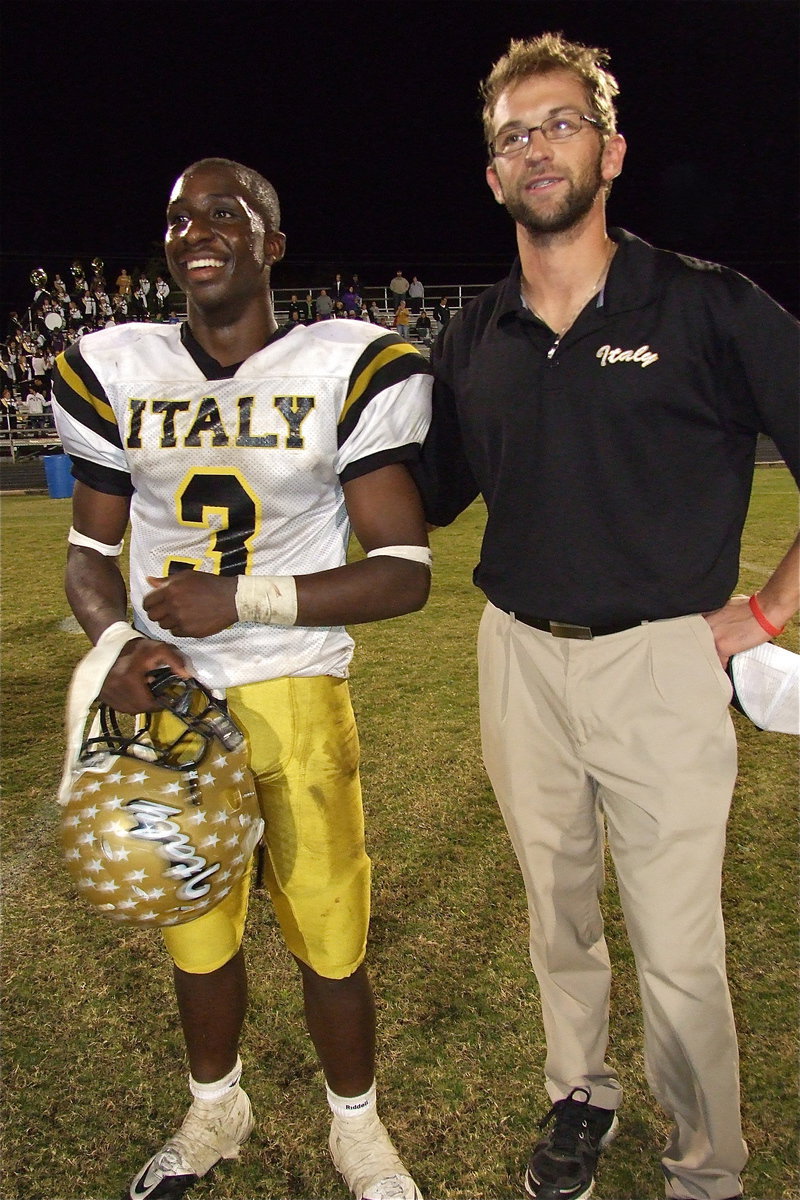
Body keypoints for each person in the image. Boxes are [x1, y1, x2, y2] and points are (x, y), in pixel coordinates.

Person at [415, 32, 799, 1200]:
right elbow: (424, 496)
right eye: (513, 135)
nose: (538, 147)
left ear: (610, 151)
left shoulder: (704, 305)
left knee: (677, 948)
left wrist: (765, 612)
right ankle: (578, 1093)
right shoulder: (473, 333)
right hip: (516, 661)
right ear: (491, 172)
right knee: (556, 916)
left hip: (658, 664)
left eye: (560, 123)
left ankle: (703, 1167)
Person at [52, 156, 433, 1200]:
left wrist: (245, 599)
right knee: (195, 934)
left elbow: (404, 572)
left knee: (329, 934)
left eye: (226, 213)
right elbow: (88, 554)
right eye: (180, 218)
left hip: (293, 686)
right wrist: (118, 643)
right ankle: (216, 1107)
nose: (198, 231)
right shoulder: (117, 365)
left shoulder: (347, 363)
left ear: (273, 244)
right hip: (170, 695)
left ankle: (356, 1129)